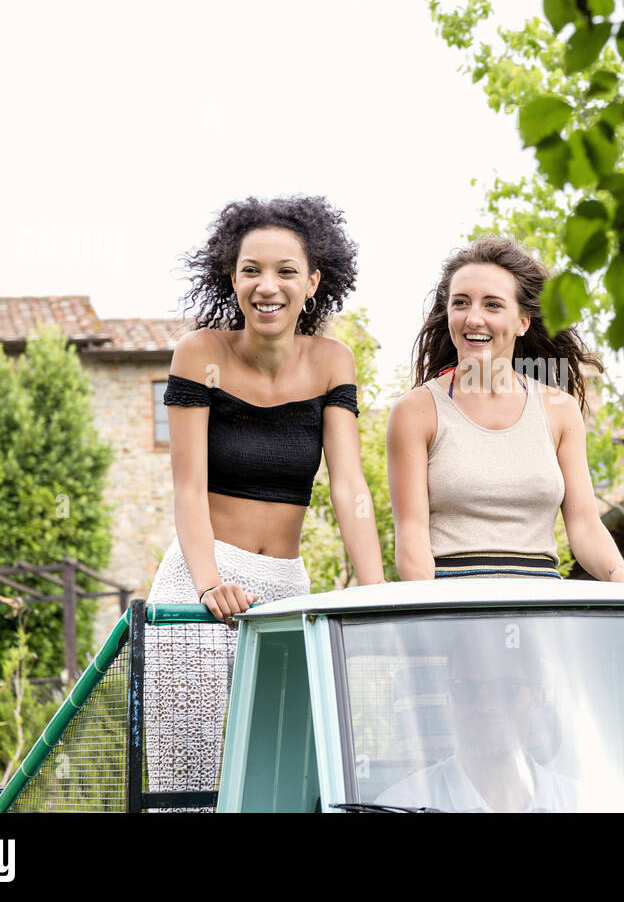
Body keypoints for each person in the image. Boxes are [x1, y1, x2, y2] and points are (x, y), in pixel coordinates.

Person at [146, 195, 385, 807]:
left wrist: (374, 585)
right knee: (192, 789)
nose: (267, 285)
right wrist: (207, 585)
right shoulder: (200, 354)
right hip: (198, 594)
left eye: (284, 271)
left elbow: (349, 485)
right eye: (251, 269)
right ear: (233, 278)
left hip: (284, 590)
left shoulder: (334, 362)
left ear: (312, 282)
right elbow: (187, 487)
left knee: (283, 780)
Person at [387, 235, 624, 582]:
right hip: (451, 606)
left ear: (523, 322)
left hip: (541, 606)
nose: (473, 318)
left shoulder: (559, 410)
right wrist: (435, 620)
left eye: (492, 305)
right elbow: (411, 536)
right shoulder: (415, 411)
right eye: (461, 303)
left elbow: (585, 527)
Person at [376, 632, 577, 812]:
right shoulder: (400, 805)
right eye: (465, 688)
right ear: (448, 700)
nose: (484, 705)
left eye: (505, 688)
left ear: (537, 699)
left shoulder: (579, 803)